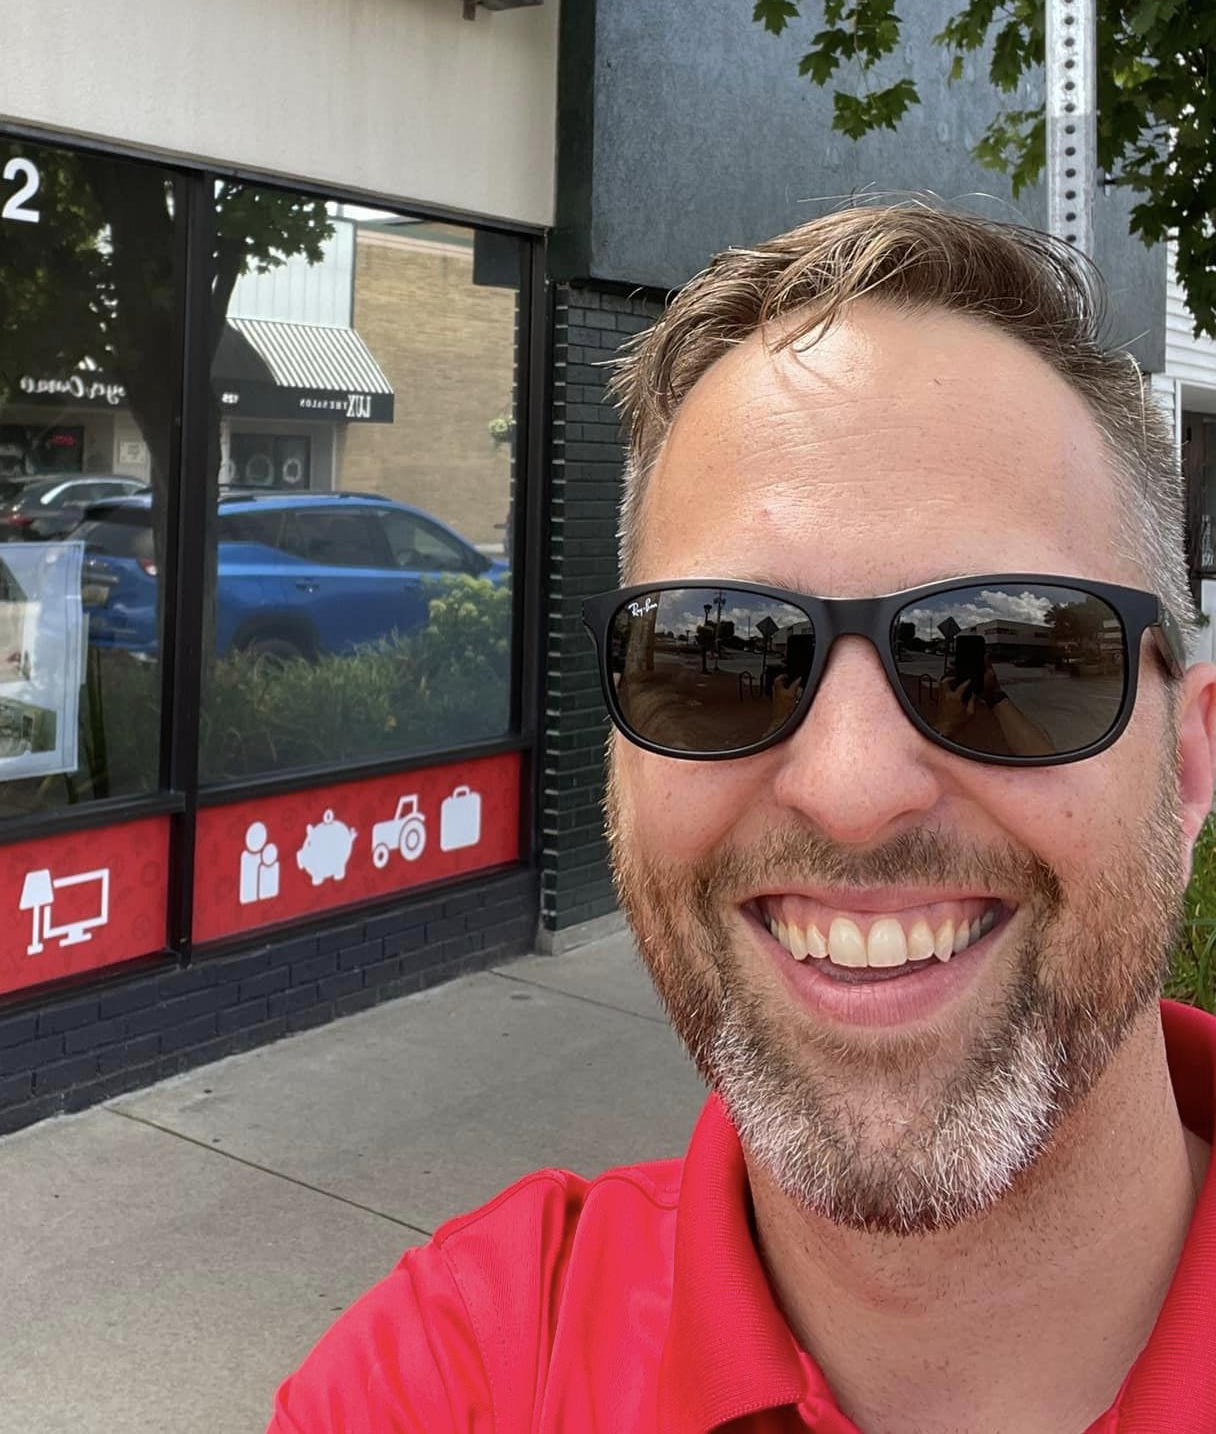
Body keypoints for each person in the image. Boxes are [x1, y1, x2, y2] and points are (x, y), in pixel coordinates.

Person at [268, 203, 1216, 1434]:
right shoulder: (464, 1369)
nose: (853, 787)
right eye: (718, 655)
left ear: (1192, 766)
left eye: (1005, 645)